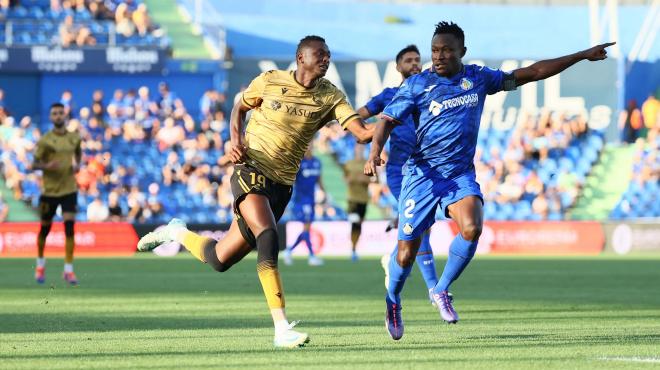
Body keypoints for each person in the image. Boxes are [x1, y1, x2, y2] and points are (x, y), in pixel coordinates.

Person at [364, 21, 614, 340]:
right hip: (422, 176)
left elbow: (533, 73)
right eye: (435, 50)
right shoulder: (417, 85)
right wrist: (375, 151)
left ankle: (440, 290)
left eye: (446, 50)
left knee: (472, 226)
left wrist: (582, 55)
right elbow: (386, 120)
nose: (438, 56)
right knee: (405, 254)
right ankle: (393, 300)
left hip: (458, 175)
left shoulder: (478, 78)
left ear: (462, 52)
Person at [137, 35, 374, 348]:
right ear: (301, 57)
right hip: (251, 170)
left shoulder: (331, 96)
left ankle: (177, 233)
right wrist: (234, 140)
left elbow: (361, 133)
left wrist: (393, 119)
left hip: (282, 185)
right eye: (320, 54)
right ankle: (281, 328)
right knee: (268, 234)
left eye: (329, 55)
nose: (326, 60)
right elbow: (239, 107)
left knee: (220, 259)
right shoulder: (270, 81)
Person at [357, 44, 439, 304]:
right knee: (422, 227)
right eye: (408, 60)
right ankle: (435, 289)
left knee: (421, 226)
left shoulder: (431, 92)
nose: (415, 63)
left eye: (417, 60)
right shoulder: (390, 95)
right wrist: (374, 132)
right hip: (400, 171)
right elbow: (356, 116)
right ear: (398, 66)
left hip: (429, 170)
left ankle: (393, 257)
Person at [32, 103, 82, 286]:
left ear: (65, 115)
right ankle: (40, 265)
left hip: (69, 189)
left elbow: (78, 156)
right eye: (55, 113)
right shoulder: (45, 140)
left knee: (70, 228)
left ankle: (68, 270)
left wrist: (77, 165)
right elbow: (34, 164)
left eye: (61, 113)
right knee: (45, 229)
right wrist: (47, 166)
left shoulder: (74, 138)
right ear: (51, 117)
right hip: (50, 192)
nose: (58, 116)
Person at [283, 146, 324, 266]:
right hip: (301, 200)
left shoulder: (317, 162)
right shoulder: (299, 163)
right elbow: (292, 180)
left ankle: (289, 251)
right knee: (306, 227)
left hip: (311, 199)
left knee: (307, 229)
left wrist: (324, 192)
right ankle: (311, 256)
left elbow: (319, 179)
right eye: (306, 146)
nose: (309, 148)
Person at [343, 143, 372, 262]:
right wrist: (349, 179)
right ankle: (352, 249)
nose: (359, 150)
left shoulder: (367, 163)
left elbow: (374, 179)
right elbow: (345, 177)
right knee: (354, 222)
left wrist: (364, 179)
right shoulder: (349, 164)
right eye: (358, 148)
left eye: (361, 148)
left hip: (363, 199)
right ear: (355, 150)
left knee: (359, 225)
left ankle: (354, 249)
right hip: (352, 198)